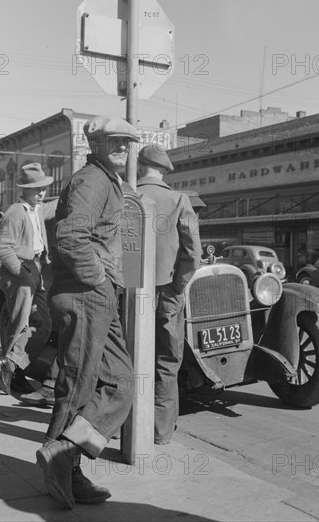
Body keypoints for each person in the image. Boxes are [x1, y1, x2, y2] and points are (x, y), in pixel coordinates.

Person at [35, 115, 140, 509]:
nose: (121, 147)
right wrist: (97, 279)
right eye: (112, 141)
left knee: (121, 384)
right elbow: (71, 236)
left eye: (127, 142)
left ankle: (64, 454)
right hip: (86, 294)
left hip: (96, 295)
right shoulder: (92, 179)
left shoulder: (104, 180)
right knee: (77, 387)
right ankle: (63, 467)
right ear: (94, 144)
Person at [136, 144, 202, 445]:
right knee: (166, 360)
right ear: (163, 170)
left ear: (139, 167)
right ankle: (160, 431)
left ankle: (129, 427)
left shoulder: (125, 196)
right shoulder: (178, 200)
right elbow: (192, 253)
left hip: (131, 291)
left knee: (130, 356)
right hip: (167, 291)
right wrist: (177, 286)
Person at [0, 162, 57, 406]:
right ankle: (15, 376)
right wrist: (22, 273)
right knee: (21, 324)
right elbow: (3, 248)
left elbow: (53, 206)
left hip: (36, 269)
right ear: (25, 189)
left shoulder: (37, 209)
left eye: (43, 188)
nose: (41, 192)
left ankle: (11, 363)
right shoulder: (15, 212)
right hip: (21, 272)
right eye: (36, 189)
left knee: (43, 323)